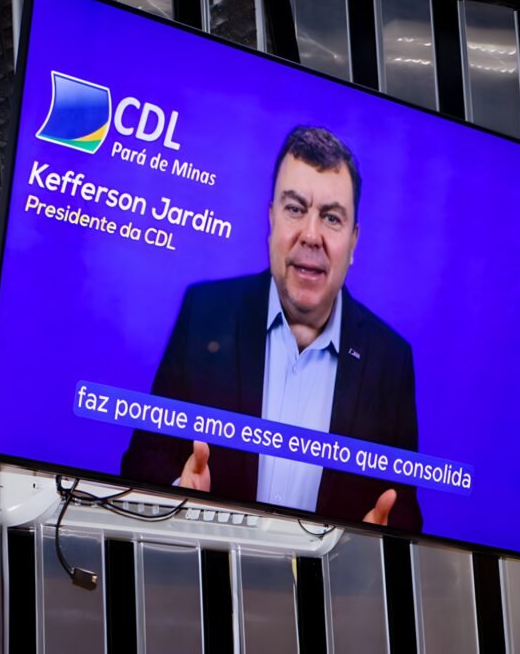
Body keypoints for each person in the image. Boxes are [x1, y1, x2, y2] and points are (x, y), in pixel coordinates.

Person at [121, 125, 422, 532]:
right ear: (271, 220)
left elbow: (403, 509)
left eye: (331, 218)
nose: (311, 235)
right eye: (295, 209)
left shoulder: (390, 360)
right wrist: (178, 492)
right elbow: (142, 460)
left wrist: (374, 540)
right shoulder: (204, 314)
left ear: (353, 242)